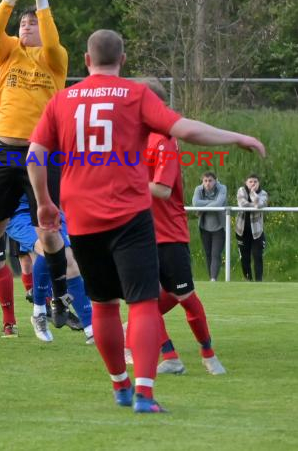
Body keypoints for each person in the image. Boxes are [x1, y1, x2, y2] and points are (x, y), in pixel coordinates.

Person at [27, 29, 265, 413]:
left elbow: (35, 155)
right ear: (122, 61)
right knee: (142, 303)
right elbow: (184, 128)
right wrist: (236, 137)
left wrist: (44, 203)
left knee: (103, 305)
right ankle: (145, 394)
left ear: (87, 61)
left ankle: (119, 386)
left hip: (83, 216)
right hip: (129, 217)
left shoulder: (61, 101)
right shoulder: (134, 95)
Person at [0, 0, 72, 328]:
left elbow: (53, 37)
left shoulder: (53, 58)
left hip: (39, 153)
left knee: (48, 229)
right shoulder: (9, 52)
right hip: (2, 147)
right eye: (23, 23)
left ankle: (60, 298)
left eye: (33, 23)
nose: (26, 26)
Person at [0, 133, 93, 343]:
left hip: (49, 210)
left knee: (70, 263)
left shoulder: (50, 136)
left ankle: (48, 313)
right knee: (57, 254)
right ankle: (81, 324)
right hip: (18, 216)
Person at [142, 79, 225, 375]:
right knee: (142, 301)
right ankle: (171, 357)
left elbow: (163, 190)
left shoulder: (164, 138)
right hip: (140, 232)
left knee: (185, 296)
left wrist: (125, 181)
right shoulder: (133, 135)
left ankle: (208, 354)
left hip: (168, 233)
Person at [192, 172, 227, 281]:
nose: (207, 183)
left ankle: (213, 279)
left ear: (215, 181)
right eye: (205, 181)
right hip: (204, 227)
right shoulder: (198, 189)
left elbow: (218, 204)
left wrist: (203, 207)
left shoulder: (222, 188)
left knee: (216, 253)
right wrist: (212, 202)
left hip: (219, 226)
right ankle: (210, 278)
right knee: (208, 253)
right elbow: (195, 203)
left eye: (210, 181)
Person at [235, 174, 268, 281]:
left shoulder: (263, 193)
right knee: (244, 258)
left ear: (259, 183)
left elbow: (259, 205)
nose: (253, 184)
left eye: (255, 182)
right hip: (242, 231)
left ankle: (259, 281)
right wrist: (254, 205)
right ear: (246, 182)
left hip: (257, 231)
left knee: (257, 256)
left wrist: (253, 193)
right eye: (250, 182)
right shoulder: (241, 190)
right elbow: (242, 204)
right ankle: (248, 279)